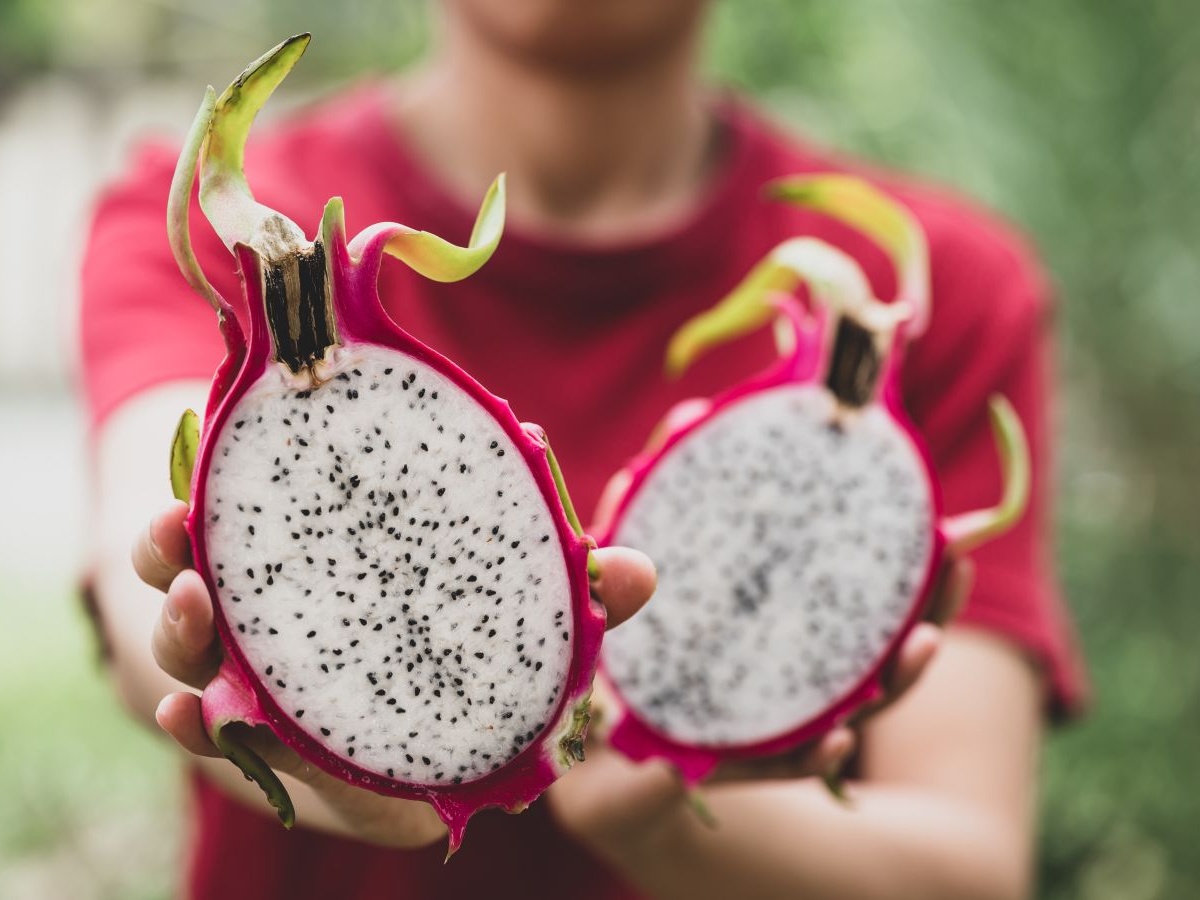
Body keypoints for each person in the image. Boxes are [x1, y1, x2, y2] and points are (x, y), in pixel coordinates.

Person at [80, 1, 1085, 897]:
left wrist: (654, 825)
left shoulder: (937, 297)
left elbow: (968, 864)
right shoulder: (200, 235)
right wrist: (348, 761)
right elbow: (150, 596)